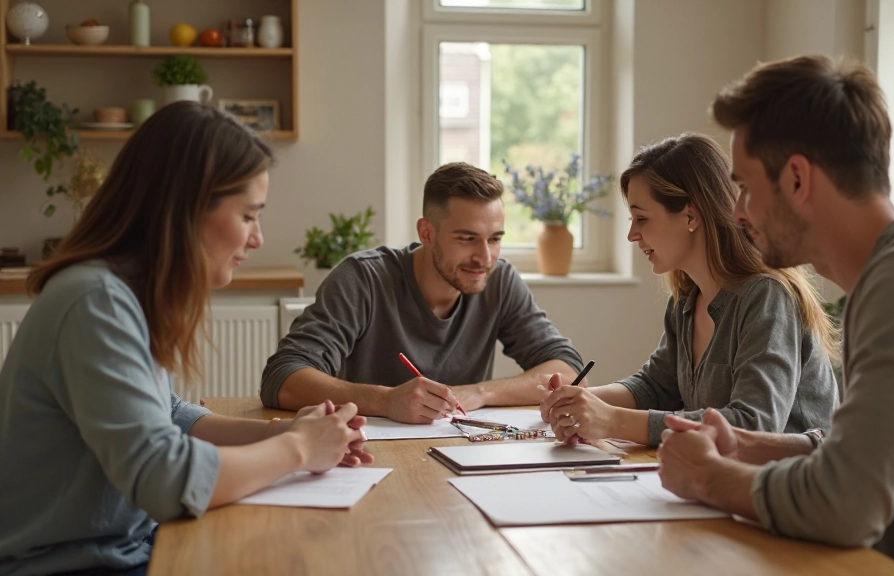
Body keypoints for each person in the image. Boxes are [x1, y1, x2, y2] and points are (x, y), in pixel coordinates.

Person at [657, 55, 894, 576]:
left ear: (799, 179)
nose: (737, 211)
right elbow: (859, 454)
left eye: (745, 186)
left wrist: (707, 478)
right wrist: (744, 446)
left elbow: (844, 503)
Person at [0, 102, 373, 575]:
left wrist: (284, 433)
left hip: (126, 549)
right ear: (187, 209)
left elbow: (167, 412)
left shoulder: (123, 291)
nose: (257, 239)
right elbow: (165, 480)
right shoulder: (96, 301)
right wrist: (297, 451)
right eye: (248, 215)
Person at [539, 133, 839, 447]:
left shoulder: (766, 297)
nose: (631, 235)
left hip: (793, 486)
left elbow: (755, 423)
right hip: (728, 479)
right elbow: (656, 387)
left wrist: (610, 420)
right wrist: (579, 400)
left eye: (641, 218)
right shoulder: (687, 297)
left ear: (691, 215)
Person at [261, 162, 585, 424]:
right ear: (426, 232)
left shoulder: (499, 281)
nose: (484, 258)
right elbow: (283, 377)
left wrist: (480, 393)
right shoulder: (364, 278)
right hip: (369, 456)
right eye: (466, 238)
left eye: (495, 239)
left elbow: (568, 370)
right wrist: (386, 401)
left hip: (459, 455)